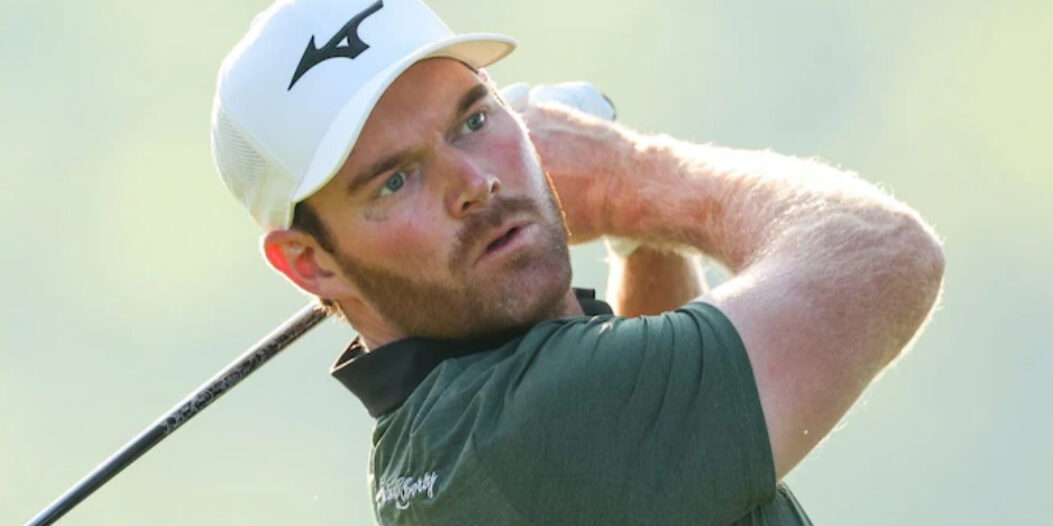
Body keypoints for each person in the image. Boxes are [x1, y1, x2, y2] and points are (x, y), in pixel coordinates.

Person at [210, 0, 944, 524]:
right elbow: (886, 256)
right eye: (395, 180)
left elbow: (663, 446)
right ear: (310, 264)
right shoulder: (530, 430)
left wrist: (639, 237)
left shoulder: (443, 444)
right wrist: (629, 178)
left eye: (473, 120)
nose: (476, 184)